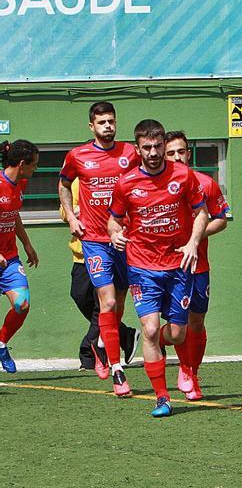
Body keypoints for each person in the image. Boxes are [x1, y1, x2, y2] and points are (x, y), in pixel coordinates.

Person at [108, 119, 208, 417]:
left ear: (165, 146)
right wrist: (114, 233)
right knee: (150, 329)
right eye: (146, 147)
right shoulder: (126, 183)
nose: (153, 152)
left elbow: (201, 212)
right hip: (142, 266)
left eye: (157, 146)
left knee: (177, 334)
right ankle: (162, 397)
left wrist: (193, 242)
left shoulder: (183, 176)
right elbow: (113, 218)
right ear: (138, 149)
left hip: (178, 265)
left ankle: (159, 348)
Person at [59, 101, 140, 396]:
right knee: (105, 303)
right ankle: (117, 370)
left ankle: (103, 341)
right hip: (94, 240)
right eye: (102, 122)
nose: (108, 126)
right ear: (91, 126)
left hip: (125, 239)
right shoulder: (78, 156)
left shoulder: (130, 153)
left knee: (118, 304)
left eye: (111, 121)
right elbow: (64, 184)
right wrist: (71, 215)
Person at [164, 131, 229, 400]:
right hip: (167, 266)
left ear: (189, 153)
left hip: (198, 265)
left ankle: (193, 371)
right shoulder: (157, 186)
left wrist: (195, 237)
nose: (177, 157)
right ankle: (184, 369)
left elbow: (221, 219)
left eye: (181, 151)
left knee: (197, 322)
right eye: (171, 153)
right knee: (177, 323)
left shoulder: (205, 183)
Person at [60, 178, 139, 372]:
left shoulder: (122, 179)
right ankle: (124, 335)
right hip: (84, 251)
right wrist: (87, 209)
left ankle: (92, 352)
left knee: (105, 303)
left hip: (116, 249)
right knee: (80, 296)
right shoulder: (80, 181)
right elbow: (65, 212)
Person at [0, 140, 40, 373]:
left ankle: (2, 343)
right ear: (22, 164)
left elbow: (13, 215)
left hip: (10, 258)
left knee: (21, 305)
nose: (36, 169)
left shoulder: (21, 184)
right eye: (34, 165)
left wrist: (27, 244)